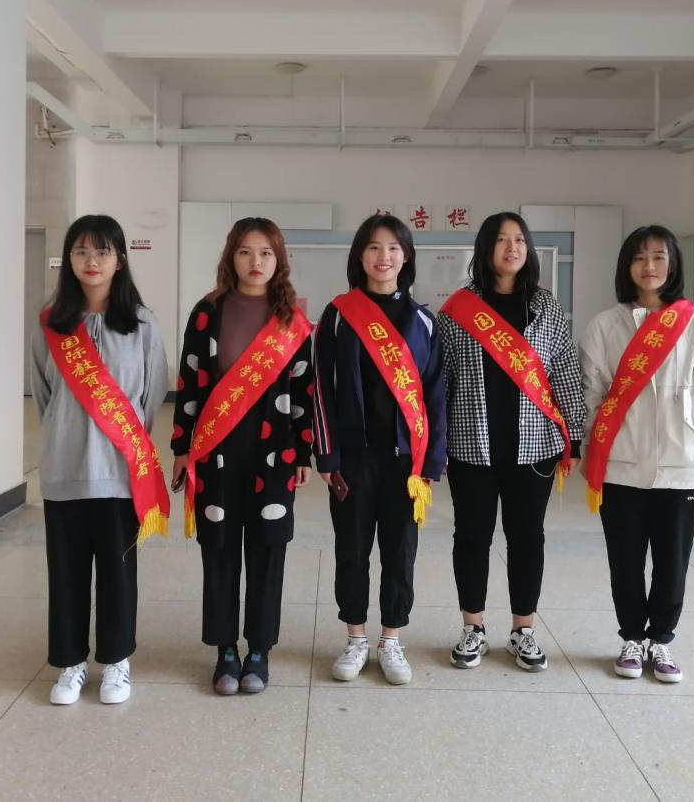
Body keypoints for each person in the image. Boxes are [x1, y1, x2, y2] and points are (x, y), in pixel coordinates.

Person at [579, 225, 694, 683]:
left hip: (680, 461)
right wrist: (590, 447)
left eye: (658, 258)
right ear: (626, 266)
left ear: (673, 265)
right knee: (625, 559)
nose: (649, 267)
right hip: (620, 462)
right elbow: (590, 392)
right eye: (639, 258)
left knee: (672, 560)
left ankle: (662, 640)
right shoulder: (604, 325)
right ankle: (631, 637)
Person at [30, 214, 169, 706]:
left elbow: (152, 394)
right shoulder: (51, 322)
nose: (92, 261)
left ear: (120, 260)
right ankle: (70, 663)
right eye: (82, 251)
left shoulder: (142, 324)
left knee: (117, 573)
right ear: (69, 260)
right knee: (65, 573)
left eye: (103, 251)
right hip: (64, 470)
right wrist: (71, 432)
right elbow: (44, 395)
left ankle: (115, 662)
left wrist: (120, 441)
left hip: (120, 474)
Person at [171, 218, 315, 696]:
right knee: (219, 548)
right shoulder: (207, 312)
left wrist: (303, 452)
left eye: (266, 253)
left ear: (279, 261)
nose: (256, 262)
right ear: (230, 257)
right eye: (245, 252)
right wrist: (181, 448)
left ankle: (259, 649)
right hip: (216, 452)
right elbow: (190, 383)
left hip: (274, 452)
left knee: (268, 548)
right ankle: (225, 649)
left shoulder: (291, 321)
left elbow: (304, 391)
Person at [438, 212, 585, 671]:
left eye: (519, 239)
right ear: (486, 249)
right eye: (502, 240)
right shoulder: (457, 310)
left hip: (534, 447)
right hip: (471, 446)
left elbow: (564, 372)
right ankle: (473, 627)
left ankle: (524, 630)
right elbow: (441, 380)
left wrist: (574, 437)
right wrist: (434, 442)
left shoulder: (546, 307)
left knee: (527, 538)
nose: (512, 248)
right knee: (471, 537)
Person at [312, 213, 447, 686]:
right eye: (373, 247)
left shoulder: (424, 321)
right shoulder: (338, 315)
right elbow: (320, 387)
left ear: (405, 256)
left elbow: (435, 395)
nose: (383, 256)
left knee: (400, 549)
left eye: (393, 247)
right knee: (351, 547)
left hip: (405, 461)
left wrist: (432, 459)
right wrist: (327, 455)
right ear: (360, 256)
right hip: (353, 458)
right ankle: (355, 637)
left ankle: (391, 638)